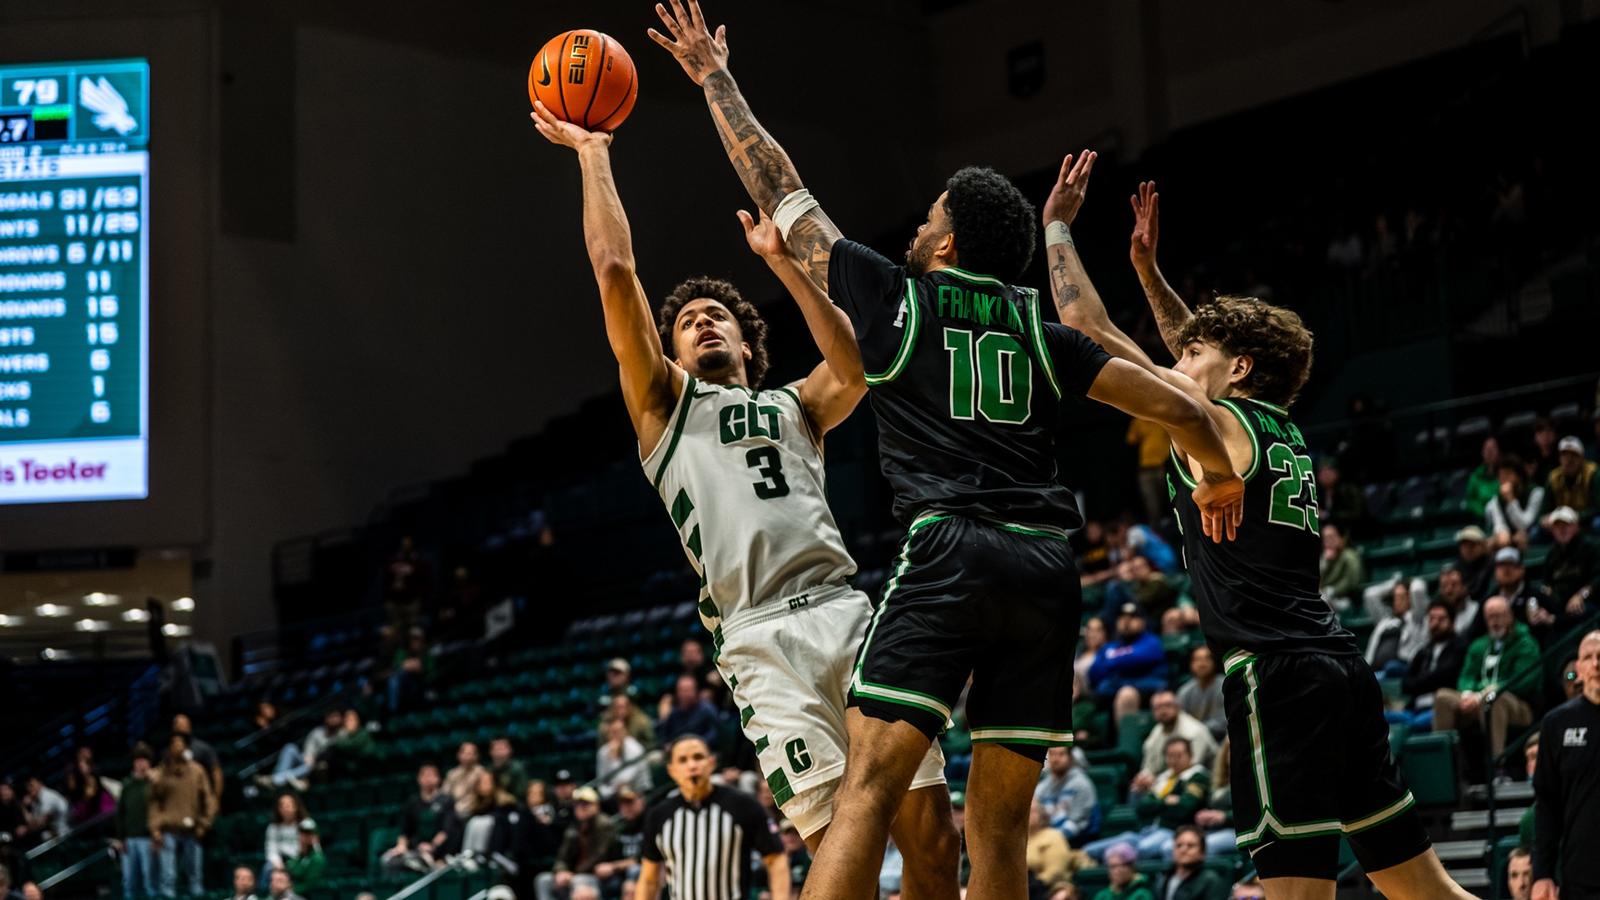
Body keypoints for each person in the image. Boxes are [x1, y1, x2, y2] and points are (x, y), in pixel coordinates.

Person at [652, 11, 1245, 898]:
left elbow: (779, 186)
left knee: (866, 791)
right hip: (1047, 567)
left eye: (929, 221)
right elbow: (1174, 403)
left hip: (952, 552)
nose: (916, 230)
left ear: (950, 244)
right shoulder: (1045, 333)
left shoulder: (900, 302)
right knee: (998, 828)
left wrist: (713, 77)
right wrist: (1221, 473)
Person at [530, 71, 960, 885]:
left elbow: (857, 366)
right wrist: (593, 154)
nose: (701, 320)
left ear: (748, 342)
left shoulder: (795, 404)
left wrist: (786, 265)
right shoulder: (665, 405)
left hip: (847, 613)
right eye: (688, 320)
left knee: (935, 839)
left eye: (718, 313)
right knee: (844, 854)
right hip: (762, 637)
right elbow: (616, 271)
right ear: (675, 351)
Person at [1048, 170, 1471, 895]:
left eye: (1191, 355)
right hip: (1339, 670)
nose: (1177, 359)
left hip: (1277, 679)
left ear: (1238, 368)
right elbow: (1198, 354)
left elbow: (1088, 325)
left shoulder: (1210, 421)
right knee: (1426, 893)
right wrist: (1149, 272)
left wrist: (1056, 225)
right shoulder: (1278, 430)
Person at [635, 736, 789, 900]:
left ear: (711, 763)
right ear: (671, 771)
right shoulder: (658, 816)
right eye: (683, 760)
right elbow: (649, 880)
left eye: (698, 757)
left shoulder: (743, 806)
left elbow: (775, 860)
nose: (692, 765)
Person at [1531, 630, 1600, 900]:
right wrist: (1542, 873)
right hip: (1579, 877)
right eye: (1589, 657)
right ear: (1579, 670)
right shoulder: (1556, 724)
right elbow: (1546, 805)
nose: (1596, 663)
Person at [1434, 597, 1541, 767]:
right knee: (1442, 697)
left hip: (1518, 705)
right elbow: (1466, 676)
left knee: (1493, 697)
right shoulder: (1479, 645)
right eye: (1490, 617)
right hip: (1479, 700)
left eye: (1499, 615)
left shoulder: (1526, 643)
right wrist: (1469, 694)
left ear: (1510, 615)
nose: (1495, 621)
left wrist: (1493, 689)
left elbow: (1525, 681)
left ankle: (1498, 768)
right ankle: (1444, 768)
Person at [148, 733, 216, 897]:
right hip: (168, 830)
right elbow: (154, 803)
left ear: (186, 747)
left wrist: (205, 823)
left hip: (193, 830)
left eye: (180, 744)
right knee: (168, 878)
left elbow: (209, 799)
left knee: (195, 878)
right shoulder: (162, 773)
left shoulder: (197, 770)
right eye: (173, 744)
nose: (177, 747)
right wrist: (155, 828)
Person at [1090, 605, 1169, 726]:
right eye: (1122, 618)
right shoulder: (1110, 646)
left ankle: (1127, 742)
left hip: (1146, 690)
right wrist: (1121, 662)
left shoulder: (1151, 641)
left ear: (1142, 622)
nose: (1126, 621)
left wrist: (1112, 662)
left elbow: (1139, 659)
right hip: (1112, 691)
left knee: (1126, 694)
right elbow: (1094, 672)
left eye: (1132, 617)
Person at [533, 786, 615, 900]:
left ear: (596, 805)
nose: (581, 807)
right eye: (577, 804)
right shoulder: (575, 826)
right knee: (543, 880)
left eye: (585, 804)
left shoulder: (604, 824)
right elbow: (562, 856)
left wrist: (573, 874)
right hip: (574, 874)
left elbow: (599, 855)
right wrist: (561, 871)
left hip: (598, 874)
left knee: (579, 881)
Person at [1399, 602, 1468, 731]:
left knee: (1411, 725)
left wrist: (1419, 683)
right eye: (1431, 619)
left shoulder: (1460, 647)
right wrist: (1430, 682)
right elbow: (1405, 684)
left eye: (1441, 619)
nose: (1435, 624)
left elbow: (1446, 677)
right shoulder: (1423, 651)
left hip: (1439, 708)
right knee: (1382, 719)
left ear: (1452, 622)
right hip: (1414, 708)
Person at [383, 763, 449, 874]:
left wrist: (432, 846)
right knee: (388, 860)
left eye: (431, 775)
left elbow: (446, 830)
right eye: (424, 775)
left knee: (425, 862)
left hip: (439, 851)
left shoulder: (446, 801)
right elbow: (405, 830)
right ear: (419, 779)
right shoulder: (412, 802)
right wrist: (401, 846)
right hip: (416, 849)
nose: (427, 779)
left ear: (438, 778)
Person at [1136, 692, 1217, 781]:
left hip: (1204, 781)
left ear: (1178, 707)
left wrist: (1155, 780)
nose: (1163, 711)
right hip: (1168, 779)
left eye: (1167, 705)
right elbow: (1148, 767)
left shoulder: (1194, 731)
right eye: (1158, 707)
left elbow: (1190, 770)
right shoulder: (1157, 731)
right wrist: (1144, 779)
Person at [113, 743, 157, 900]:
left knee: (150, 882)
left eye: (145, 760)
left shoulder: (154, 784)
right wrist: (121, 837)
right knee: (129, 883)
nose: (141, 764)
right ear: (134, 763)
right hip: (129, 840)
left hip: (148, 839)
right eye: (138, 760)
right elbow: (120, 813)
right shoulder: (127, 786)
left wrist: (156, 836)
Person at [1543, 506, 1600, 627]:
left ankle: (1555, 621)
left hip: (1587, 601)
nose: (1562, 529)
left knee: (1578, 610)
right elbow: (1546, 583)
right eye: (1557, 526)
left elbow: (1597, 579)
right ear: (1552, 530)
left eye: (1566, 524)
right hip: (1559, 601)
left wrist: (1581, 595)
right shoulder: (1552, 554)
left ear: (1576, 526)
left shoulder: (1591, 548)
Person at [1034, 747, 1097, 845]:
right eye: (1052, 754)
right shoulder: (1042, 787)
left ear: (1070, 757)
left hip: (1077, 842)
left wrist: (1049, 840)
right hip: (1046, 840)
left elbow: (1076, 824)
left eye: (1061, 754)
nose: (1056, 759)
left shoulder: (1081, 784)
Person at [268, 707, 341, 791]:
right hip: (309, 762)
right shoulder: (317, 732)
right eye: (331, 717)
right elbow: (308, 751)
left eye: (336, 717)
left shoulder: (342, 733)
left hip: (324, 765)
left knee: (312, 765)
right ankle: (283, 777)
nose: (334, 719)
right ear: (326, 718)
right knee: (290, 748)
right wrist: (309, 756)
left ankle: (277, 779)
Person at [1366, 581, 1428, 675]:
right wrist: (1393, 584)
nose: (1398, 601)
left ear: (1410, 598)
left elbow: (1418, 589)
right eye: (1396, 597)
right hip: (1374, 670)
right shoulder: (1384, 621)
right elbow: (1369, 595)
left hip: (1399, 668)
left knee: (1391, 666)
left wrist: (1408, 582)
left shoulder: (1416, 619)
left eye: (1402, 597)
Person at [1487, 456, 1545, 550]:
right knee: (1490, 543)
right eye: (1501, 476)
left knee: (1521, 538)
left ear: (1519, 476)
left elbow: (1525, 524)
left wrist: (1511, 500)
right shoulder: (1496, 501)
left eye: (1508, 474)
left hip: (1533, 534)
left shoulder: (1536, 493)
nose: (1504, 479)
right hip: (1510, 536)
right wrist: (1503, 533)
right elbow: (1499, 524)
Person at [1158, 825, 1230, 900]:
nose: (1183, 850)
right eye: (1178, 845)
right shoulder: (1163, 879)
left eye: (1190, 846)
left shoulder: (1211, 881)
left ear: (1202, 852)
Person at [1026, 801, 1084, 891]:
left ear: (1041, 815)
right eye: (1025, 812)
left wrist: (1032, 886)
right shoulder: (1018, 840)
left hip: (1048, 889)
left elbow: (1056, 872)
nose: (1028, 815)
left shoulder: (1053, 836)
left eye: (1032, 811)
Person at [653, 675, 720, 748]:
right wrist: (663, 719)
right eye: (682, 690)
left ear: (696, 691)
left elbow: (716, 733)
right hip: (677, 750)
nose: (685, 694)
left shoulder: (706, 709)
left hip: (703, 749)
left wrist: (695, 744)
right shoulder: (673, 712)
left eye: (688, 690)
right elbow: (663, 739)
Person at [1175, 646, 1227, 741]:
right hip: (1192, 739)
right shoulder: (1185, 691)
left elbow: (1225, 721)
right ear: (1191, 664)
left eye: (1207, 659)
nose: (1202, 664)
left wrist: (1198, 730)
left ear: (1214, 662)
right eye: (1197, 660)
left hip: (1222, 738)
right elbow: (1180, 721)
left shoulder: (1225, 685)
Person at [1546, 436, 1600, 523]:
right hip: (1560, 521)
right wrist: (1547, 518)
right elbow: (1543, 511)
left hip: (1586, 519)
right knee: (1537, 530)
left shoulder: (1593, 474)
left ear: (1582, 458)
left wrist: (1575, 516)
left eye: (1574, 455)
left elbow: (1598, 507)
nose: (1569, 460)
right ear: (1559, 458)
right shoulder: (1553, 477)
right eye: (1565, 455)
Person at [595, 716, 651, 799]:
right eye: (613, 732)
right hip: (614, 795)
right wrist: (607, 794)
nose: (616, 735)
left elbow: (625, 780)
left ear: (625, 731)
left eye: (619, 731)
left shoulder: (635, 748)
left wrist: (614, 759)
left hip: (640, 793)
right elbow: (601, 781)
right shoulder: (603, 752)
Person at [1128, 417, 1171, 525]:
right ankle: (1155, 528)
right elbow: (1131, 439)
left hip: (1164, 466)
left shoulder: (1162, 418)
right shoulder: (1138, 420)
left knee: (1170, 497)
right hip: (1145, 470)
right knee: (1151, 502)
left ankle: (1172, 526)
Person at [170, 715, 223, 801]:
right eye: (179, 727)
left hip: (201, 798)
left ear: (189, 727)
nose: (182, 729)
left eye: (184, 726)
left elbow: (216, 772)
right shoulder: (168, 753)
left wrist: (216, 798)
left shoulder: (203, 749)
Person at [263, 792, 306, 886]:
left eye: (289, 805)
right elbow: (271, 849)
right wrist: (277, 863)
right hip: (280, 860)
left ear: (296, 807)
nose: (286, 808)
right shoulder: (273, 827)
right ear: (279, 809)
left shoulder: (305, 824)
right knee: (268, 868)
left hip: (299, 859)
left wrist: (295, 860)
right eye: (283, 805)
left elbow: (310, 847)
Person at [1318, 525, 1364, 610]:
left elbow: (1354, 581)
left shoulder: (1349, 555)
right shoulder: (1324, 559)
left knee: (1322, 599)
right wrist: (1326, 563)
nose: (1329, 541)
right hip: (1328, 598)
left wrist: (1334, 590)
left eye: (1332, 537)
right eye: (1326, 538)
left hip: (1347, 599)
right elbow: (1319, 584)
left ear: (1340, 538)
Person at [1436, 565, 1482, 638]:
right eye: (1444, 586)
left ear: (1464, 587)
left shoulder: (1477, 611)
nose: (1449, 590)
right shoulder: (1436, 617)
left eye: (1454, 585)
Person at [442, 742, 485, 820]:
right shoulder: (452, 774)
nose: (467, 757)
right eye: (464, 753)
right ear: (458, 755)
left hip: (474, 812)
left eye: (470, 753)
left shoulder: (482, 773)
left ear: (476, 756)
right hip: (454, 813)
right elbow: (445, 793)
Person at [283, 820, 325, 895]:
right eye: (302, 834)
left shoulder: (317, 858)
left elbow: (310, 885)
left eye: (309, 834)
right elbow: (291, 869)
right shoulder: (298, 855)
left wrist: (290, 890)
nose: (305, 837)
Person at [1454, 527, 1496, 602]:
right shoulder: (1457, 566)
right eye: (1464, 545)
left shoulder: (1491, 563)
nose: (1468, 549)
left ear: (1483, 546)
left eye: (1472, 545)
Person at [20, 778, 66, 844]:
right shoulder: (35, 801)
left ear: (40, 784)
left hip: (66, 832)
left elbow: (40, 823)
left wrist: (26, 829)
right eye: (27, 787)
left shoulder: (47, 796)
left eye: (31, 785)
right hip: (56, 833)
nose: (29, 789)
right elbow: (32, 821)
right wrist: (23, 807)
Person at [1465, 437, 1503, 517]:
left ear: (1499, 451)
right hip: (1481, 519)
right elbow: (1470, 500)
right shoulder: (1476, 476)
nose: (1490, 452)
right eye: (1486, 449)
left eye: (1493, 448)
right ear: (1482, 452)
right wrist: (1483, 511)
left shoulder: (1505, 473)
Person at [488, 737, 529, 801]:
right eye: (497, 749)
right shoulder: (488, 770)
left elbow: (522, 792)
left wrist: (508, 798)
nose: (500, 752)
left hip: (516, 804)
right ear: (491, 752)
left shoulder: (518, 768)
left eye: (502, 748)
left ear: (510, 750)